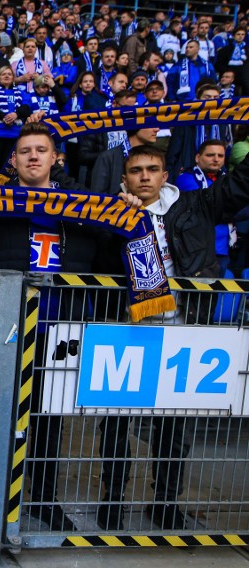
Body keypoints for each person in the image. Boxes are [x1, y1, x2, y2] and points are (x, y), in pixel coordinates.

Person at [0, 122, 130, 532]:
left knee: (48, 421)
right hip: (6, 333)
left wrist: (124, 224)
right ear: (15, 160)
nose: (34, 156)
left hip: (63, 333)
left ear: (56, 157)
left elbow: (108, 264)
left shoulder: (83, 207)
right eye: (25, 151)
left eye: (42, 150)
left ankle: (41, 499)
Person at [98, 144, 249, 531]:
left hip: (184, 329)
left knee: (174, 426)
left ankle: (164, 502)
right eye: (136, 170)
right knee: (115, 422)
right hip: (127, 329)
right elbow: (97, 263)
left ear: (166, 175)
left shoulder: (196, 204)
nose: (144, 176)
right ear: (124, 178)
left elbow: (243, 184)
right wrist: (118, 222)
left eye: (152, 169)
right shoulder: (107, 214)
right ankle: (111, 499)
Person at [175, 140, 232, 276]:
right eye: (210, 155)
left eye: (220, 155)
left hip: (222, 247)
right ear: (197, 157)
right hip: (197, 248)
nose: (216, 159)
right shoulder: (186, 179)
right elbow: (210, 207)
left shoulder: (225, 179)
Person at [0, 65, 32, 175]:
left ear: (13, 77)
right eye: (3, 74)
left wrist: (16, 114)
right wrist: (4, 117)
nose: (6, 76)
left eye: (9, 74)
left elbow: (27, 107)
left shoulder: (22, 93)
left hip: (16, 134)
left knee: (13, 164)